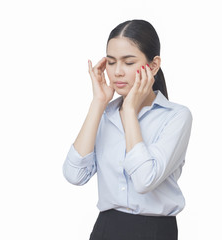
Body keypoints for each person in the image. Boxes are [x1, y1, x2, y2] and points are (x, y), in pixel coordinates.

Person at [62, 19, 192, 240]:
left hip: (155, 231)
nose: (117, 72)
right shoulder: (105, 114)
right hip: (106, 228)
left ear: (153, 65)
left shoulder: (176, 116)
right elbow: (75, 175)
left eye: (129, 62)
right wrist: (98, 103)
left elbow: (144, 180)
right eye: (111, 62)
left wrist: (130, 111)